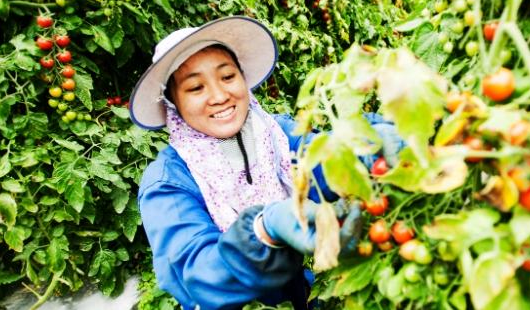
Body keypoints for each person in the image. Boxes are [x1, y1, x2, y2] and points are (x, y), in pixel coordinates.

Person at [129, 16, 402, 310]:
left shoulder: (276, 135)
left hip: (300, 293)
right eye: (195, 88)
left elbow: (321, 161)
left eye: (228, 77)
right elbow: (195, 275)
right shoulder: (168, 182)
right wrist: (263, 231)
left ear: (243, 80)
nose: (220, 96)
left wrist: (367, 145)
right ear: (174, 104)